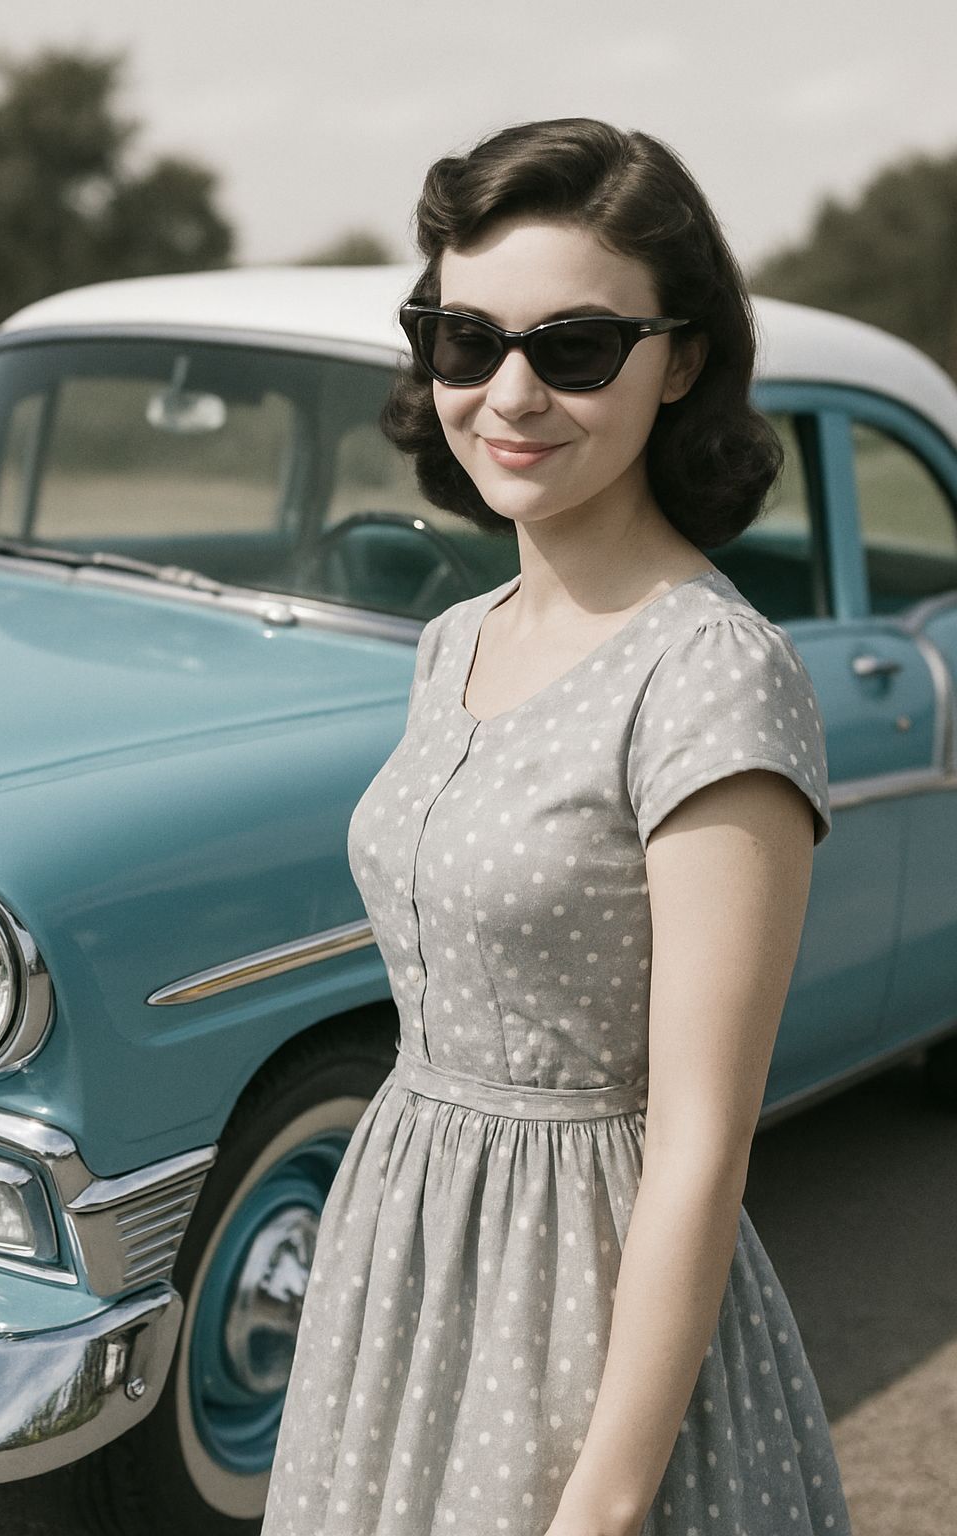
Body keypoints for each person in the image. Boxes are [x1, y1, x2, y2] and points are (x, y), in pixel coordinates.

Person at [261, 117, 853, 1536]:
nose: (510, 392)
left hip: (583, 1311)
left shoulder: (712, 672)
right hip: (401, 1261)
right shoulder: (454, 635)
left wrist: (600, 1504)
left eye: (576, 348)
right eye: (466, 340)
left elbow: (702, 1138)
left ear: (682, 361)